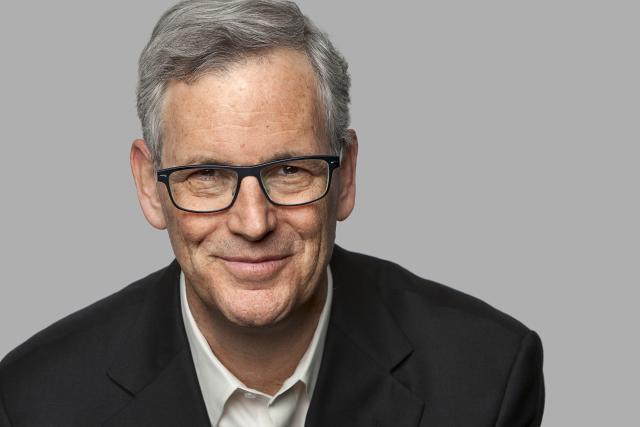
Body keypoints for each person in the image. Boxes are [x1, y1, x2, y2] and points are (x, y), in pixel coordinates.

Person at [0, 0, 544, 426]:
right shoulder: (33, 402)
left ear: (346, 176)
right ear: (150, 186)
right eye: (207, 175)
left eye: (289, 171)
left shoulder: (486, 377)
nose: (253, 223)